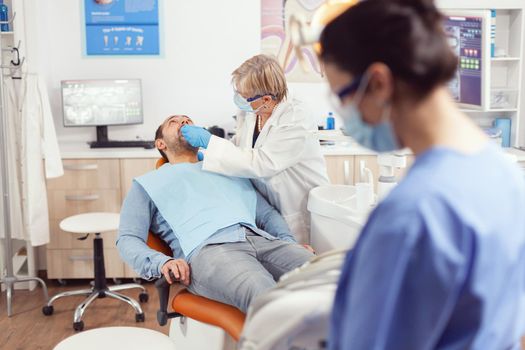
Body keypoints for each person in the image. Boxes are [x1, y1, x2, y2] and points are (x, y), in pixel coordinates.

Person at [318, 0, 525, 349]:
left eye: (344, 97)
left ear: (379, 83)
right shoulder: (504, 174)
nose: (346, 114)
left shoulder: (414, 215)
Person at [116, 115, 314, 313]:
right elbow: (127, 238)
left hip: (262, 240)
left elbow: (267, 215)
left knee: (331, 276)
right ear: (160, 143)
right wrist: (162, 263)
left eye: (188, 120)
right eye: (173, 122)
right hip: (210, 251)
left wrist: (288, 241)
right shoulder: (148, 184)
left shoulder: (227, 170)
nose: (184, 123)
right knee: (266, 295)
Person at [180, 54, 329, 244]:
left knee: (302, 264)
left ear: (266, 99)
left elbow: (263, 162)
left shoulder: (295, 117)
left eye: (244, 96)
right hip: (266, 209)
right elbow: (241, 145)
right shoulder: (252, 110)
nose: (239, 99)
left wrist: (211, 143)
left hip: (297, 208)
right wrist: (208, 152)